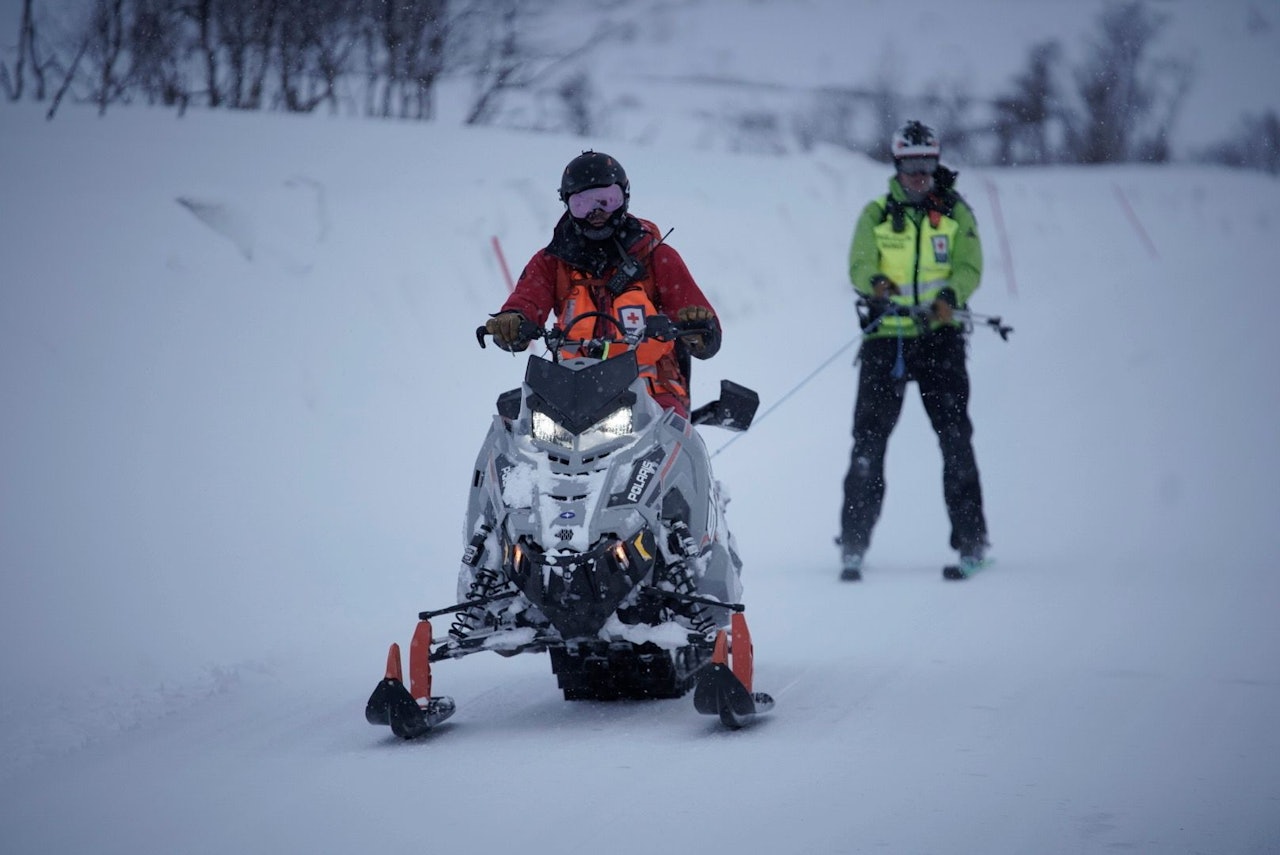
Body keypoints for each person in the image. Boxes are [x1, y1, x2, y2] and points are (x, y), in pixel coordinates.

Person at [838, 120, 989, 581]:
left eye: (926, 165)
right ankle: (853, 541)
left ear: (936, 163)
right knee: (868, 443)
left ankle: (970, 540)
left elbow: (969, 266)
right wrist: (876, 284)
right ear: (898, 166)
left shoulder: (957, 213)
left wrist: (949, 300)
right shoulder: (877, 214)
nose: (919, 175)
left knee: (955, 440)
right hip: (888, 341)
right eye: (910, 166)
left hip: (940, 341)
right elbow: (860, 262)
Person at [484, 150, 720, 416]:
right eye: (582, 204)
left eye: (606, 200)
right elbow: (526, 301)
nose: (596, 212)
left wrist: (698, 327)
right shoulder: (552, 262)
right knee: (515, 432)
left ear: (624, 198)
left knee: (673, 432)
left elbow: (703, 325)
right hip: (570, 394)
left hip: (652, 393)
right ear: (567, 205)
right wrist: (513, 321)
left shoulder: (657, 256)